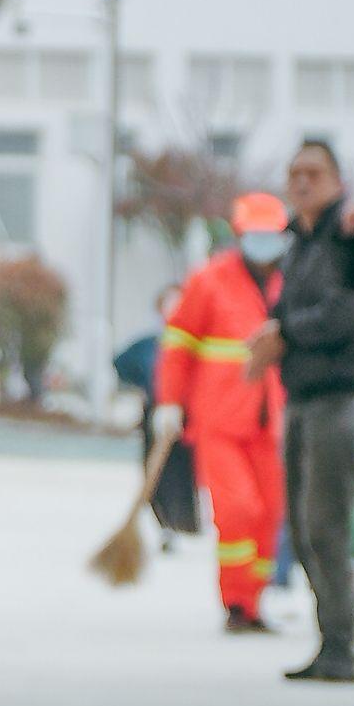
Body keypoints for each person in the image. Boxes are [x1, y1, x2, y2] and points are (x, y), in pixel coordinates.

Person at [244, 140, 354, 685]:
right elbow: (287, 310)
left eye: (314, 173)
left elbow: (346, 313)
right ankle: (330, 642)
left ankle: (342, 647)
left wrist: (284, 333)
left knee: (327, 526)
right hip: (303, 398)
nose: (301, 182)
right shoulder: (299, 241)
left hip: (341, 397)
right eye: (295, 172)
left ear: (336, 180)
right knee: (304, 530)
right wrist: (273, 334)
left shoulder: (346, 235)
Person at [154, 192, 289, 636]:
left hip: (272, 422)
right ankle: (235, 602)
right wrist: (170, 401)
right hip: (220, 420)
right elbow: (178, 344)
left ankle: (255, 601)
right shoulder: (209, 280)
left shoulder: (289, 283)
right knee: (237, 510)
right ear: (239, 234)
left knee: (269, 511)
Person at [114, 285, 200, 543]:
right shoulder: (150, 344)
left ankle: (184, 523)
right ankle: (164, 524)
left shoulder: (197, 345)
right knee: (155, 472)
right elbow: (122, 363)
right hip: (157, 413)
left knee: (183, 474)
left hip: (189, 416)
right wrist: (144, 387)